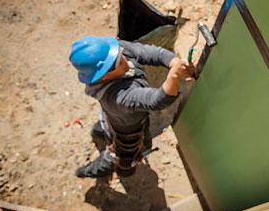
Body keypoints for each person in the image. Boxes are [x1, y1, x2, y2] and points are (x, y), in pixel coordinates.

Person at [69, 35, 194, 178]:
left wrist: (176, 63)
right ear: (101, 76)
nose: (123, 60)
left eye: (118, 54)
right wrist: (174, 75)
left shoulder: (115, 51)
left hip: (117, 118)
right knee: (124, 158)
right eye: (114, 64)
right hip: (128, 134)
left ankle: (97, 132)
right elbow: (157, 100)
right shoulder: (117, 97)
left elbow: (153, 53)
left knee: (105, 126)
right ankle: (91, 171)